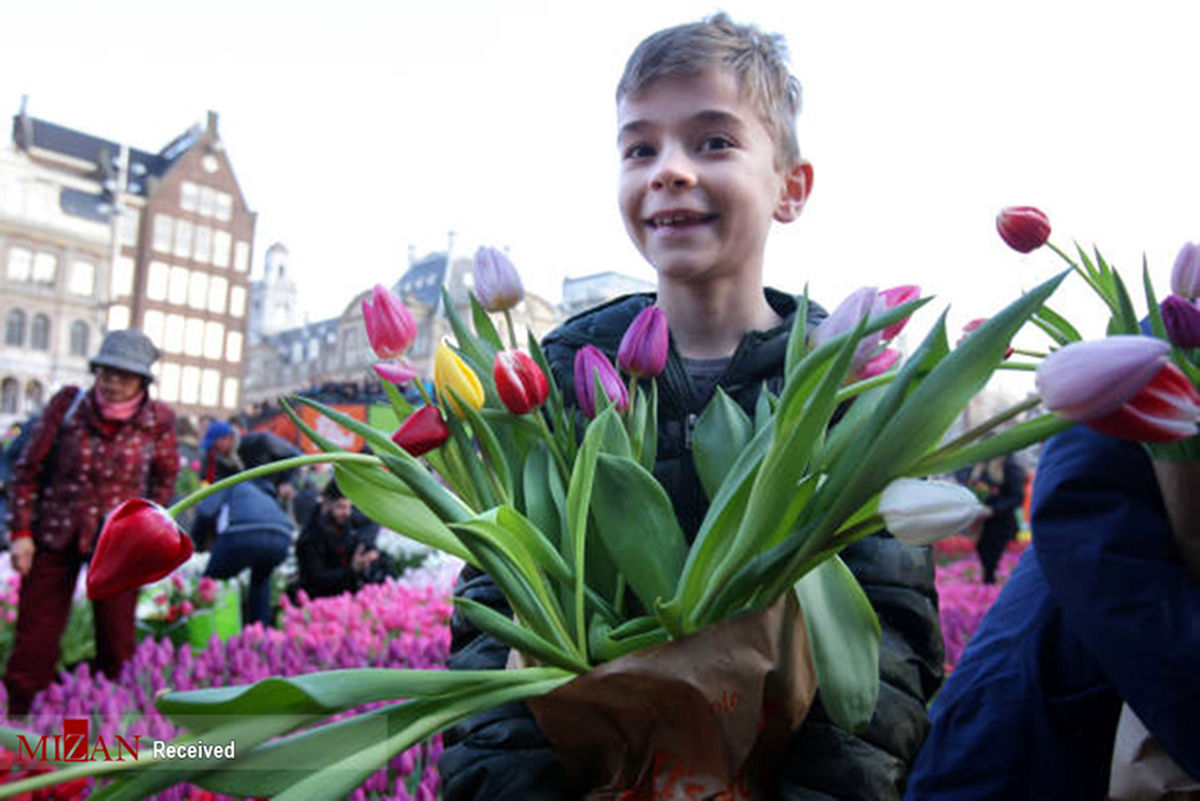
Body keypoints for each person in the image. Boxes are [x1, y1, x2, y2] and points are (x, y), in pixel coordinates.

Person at [438, 14, 944, 799]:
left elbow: (885, 654)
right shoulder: (559, 376)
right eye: (640, 148)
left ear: (791, 187)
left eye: (713, 142)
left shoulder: (849, 389)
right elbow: (493, 622)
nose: (668, 169)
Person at [904, 424, 1200, 798]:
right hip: (1046, 722)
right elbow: (1084, 520)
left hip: (1075, 705)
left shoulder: (1015, 469)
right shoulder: (1135, 389)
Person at [3, 330, 178, 716]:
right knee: (36, 637)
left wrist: (145, 532)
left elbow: (165, 480)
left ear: (142, 383)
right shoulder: (68, 406)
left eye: (124, 376)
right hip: (56, 531)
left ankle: (109, 718)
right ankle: (19, 719)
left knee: (117, 639)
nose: (113, 382)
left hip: (118, 544)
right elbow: (27, 470)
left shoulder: (158, 420)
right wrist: (21, 534)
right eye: (106, 373)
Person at [199, 431, 299, 627]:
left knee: (210, 580)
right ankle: (258, 633)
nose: (216, 452)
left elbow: (207, 511)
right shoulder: (224, 466)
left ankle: (210, 629)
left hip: (244, 532)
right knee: (261, 581)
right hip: (279, 532)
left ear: (227, 437)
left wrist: (287, 482)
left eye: (216, 445)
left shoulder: (260, 442)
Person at [294, 478, 389, 599]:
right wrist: (352, 569)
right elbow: (316, 580)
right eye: (341, 507)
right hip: (321, 601)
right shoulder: (310, 537)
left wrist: (368, 554)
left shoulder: (344, 526)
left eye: (349, 507)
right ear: (325, 503)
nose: (347, 513)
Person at [959, 453, 1027, 583]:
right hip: (980, 524)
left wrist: (994, 509)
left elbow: (1017, 497)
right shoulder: (977, 468)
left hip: (1001, 524)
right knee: (984, 559)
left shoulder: (1008, 468)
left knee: (994, 562)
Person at [199, 419, 242, 486]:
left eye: (215, 444)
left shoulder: (245, 450)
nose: (214, 448)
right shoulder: (210, 455)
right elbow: (204, 478)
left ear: (228, 438)